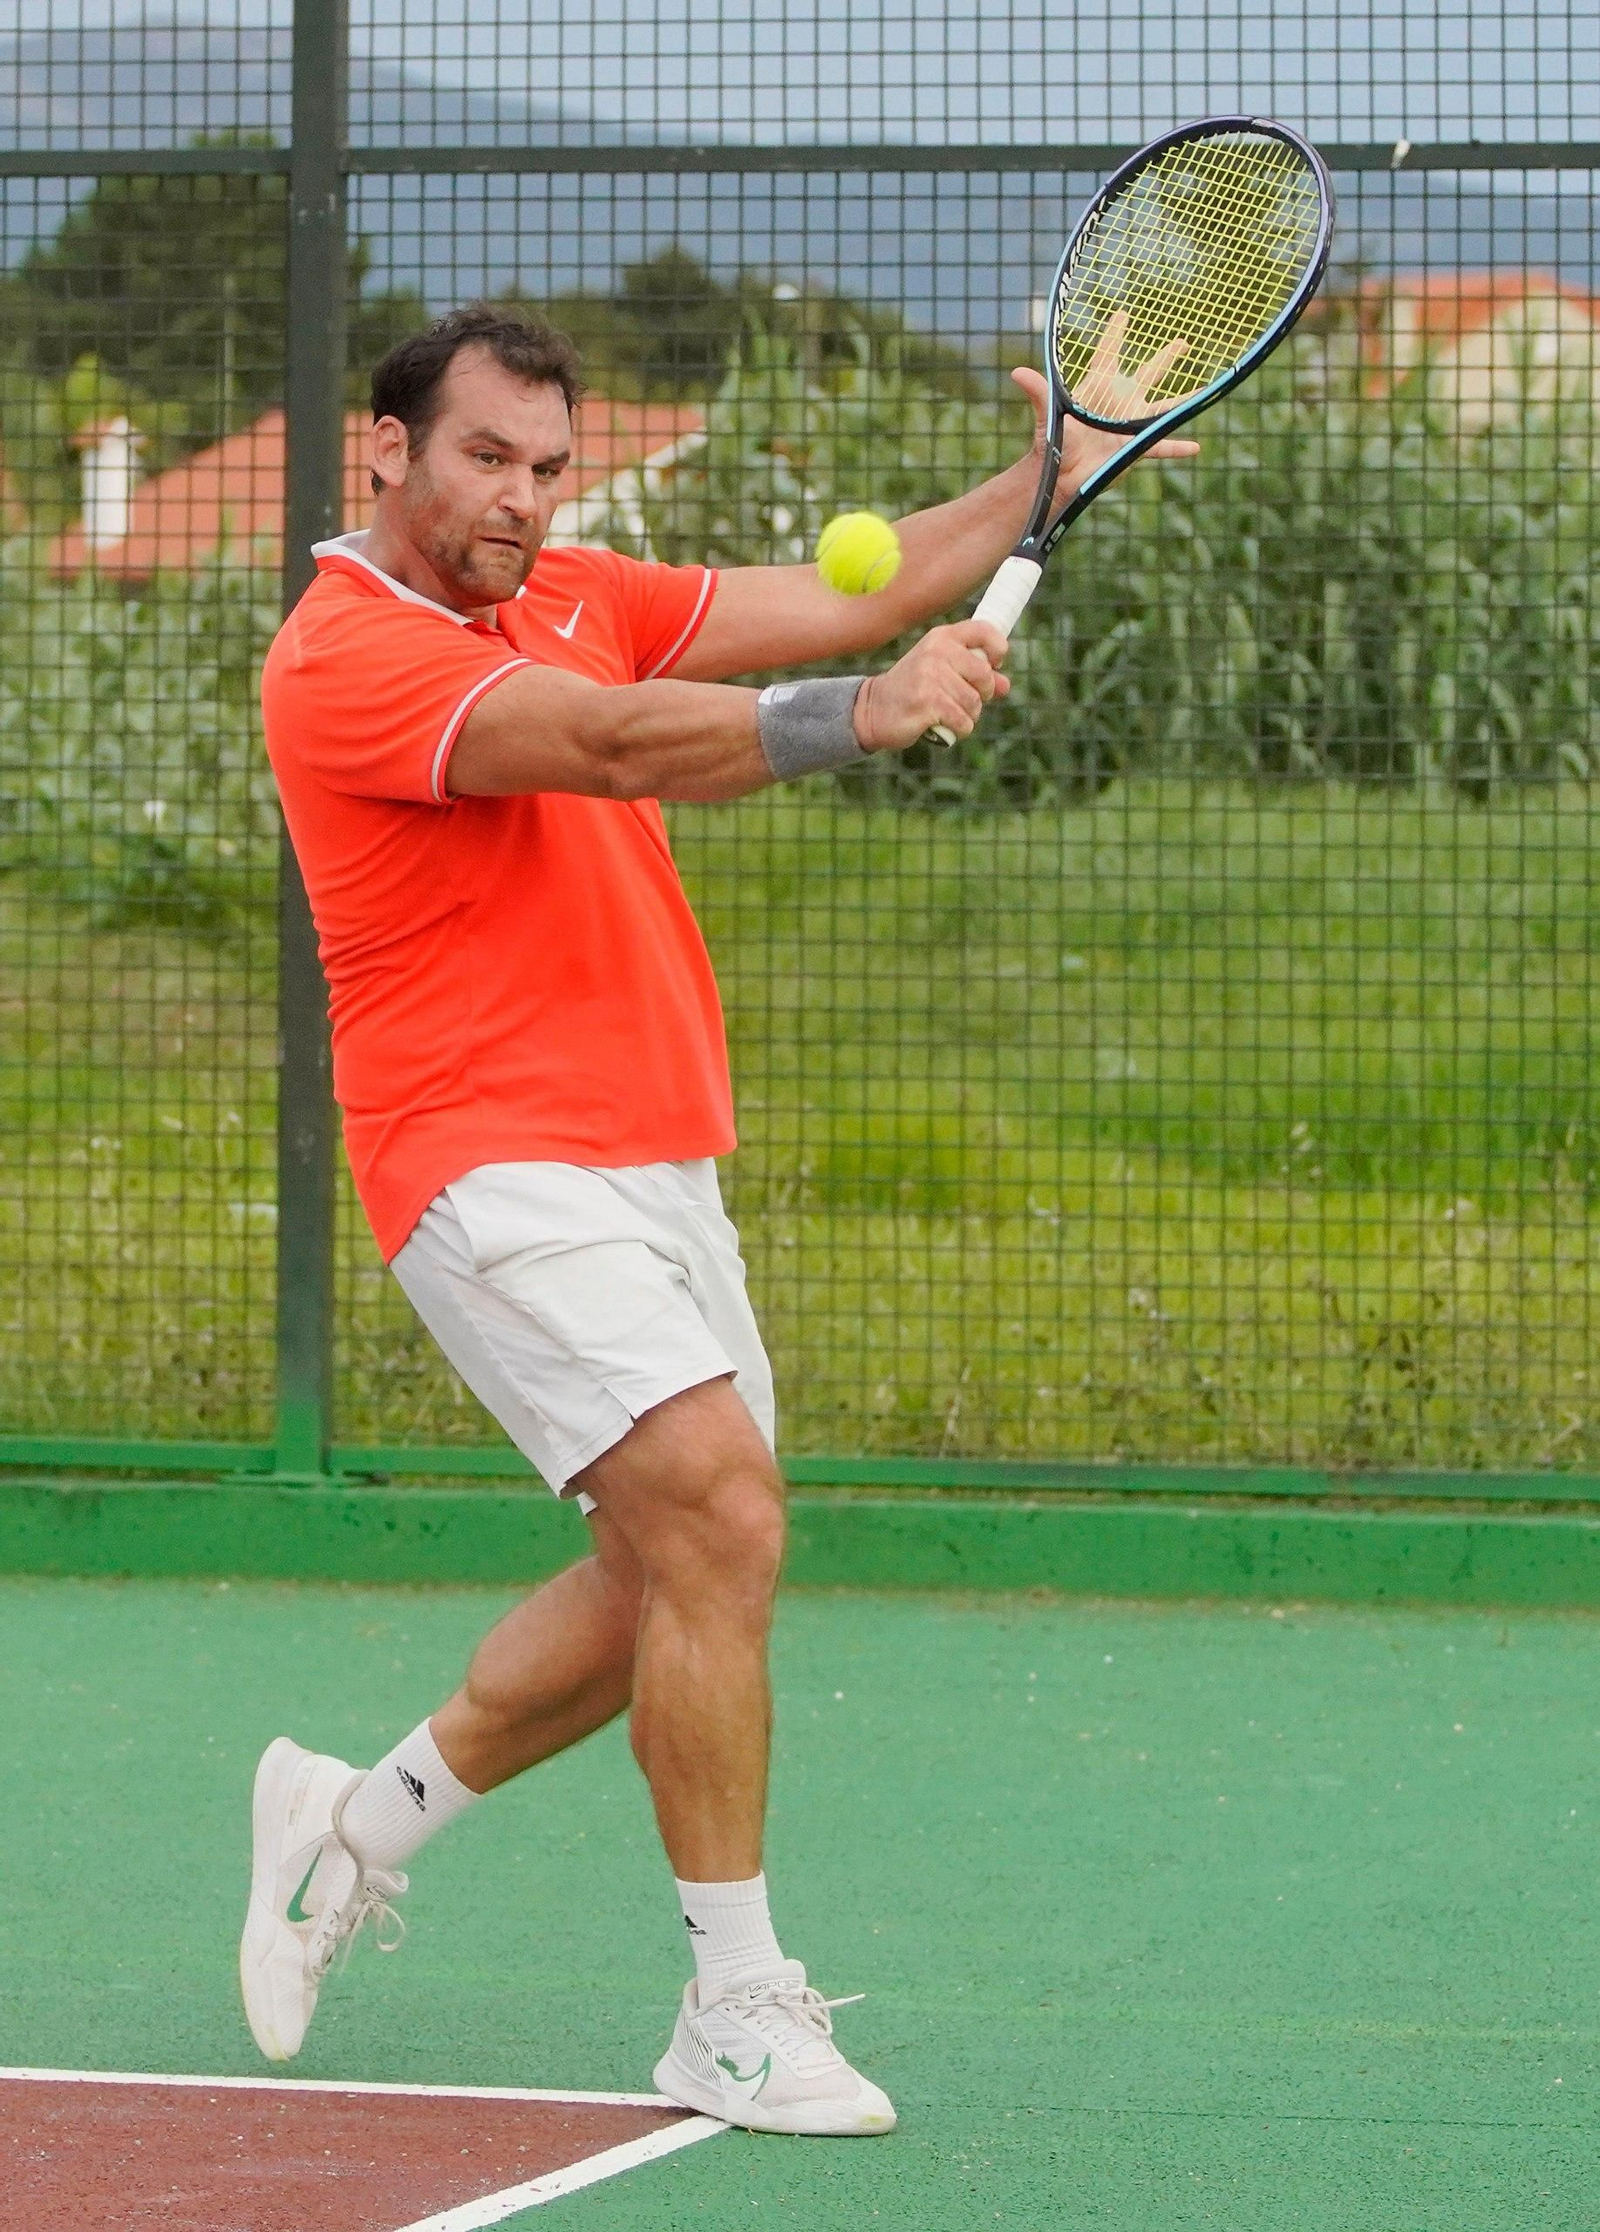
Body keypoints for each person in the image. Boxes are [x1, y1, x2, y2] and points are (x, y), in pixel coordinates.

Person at [243, 302, 1195, 2135]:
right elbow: (603, 746)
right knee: (722, 1512)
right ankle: (734, 2004)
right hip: (481, 1158)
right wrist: (869, 710)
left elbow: (851, 584)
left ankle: (350, 1823)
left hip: (653, 1150)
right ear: (384, 449)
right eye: (481, 459)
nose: (517, 500)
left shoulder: (576, 579)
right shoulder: (342, 655)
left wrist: (1048, 473)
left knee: (680, 1576)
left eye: (546, 467)